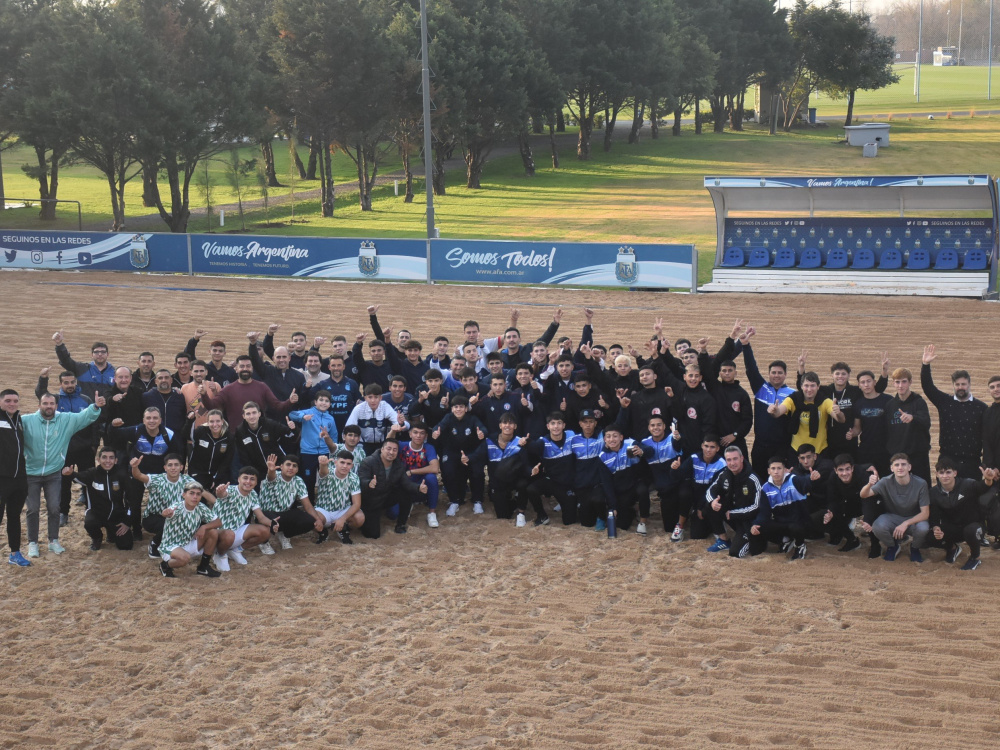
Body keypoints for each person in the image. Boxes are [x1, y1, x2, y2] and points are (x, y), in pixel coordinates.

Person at [23, 392, 103, 557]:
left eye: (52, 403)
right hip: (31, 473)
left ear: (56, 406)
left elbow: (84, 417)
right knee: (33, 509)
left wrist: (95, 407)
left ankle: (53, 541)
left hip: (53, 472)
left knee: (54, 508)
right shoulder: (26, 420)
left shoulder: (65, 419)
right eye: (45, 403)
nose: (48, 406)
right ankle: (33, 543)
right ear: (39, 405)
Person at [35, 368, 99, 527]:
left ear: (76, 382)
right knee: (64, 483)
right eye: (66, 382)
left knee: (89, 480)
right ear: (60, 383)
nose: (70, 385)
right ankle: (64, 512)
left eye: (72, 382)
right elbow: (41, 393)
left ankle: (90, 509)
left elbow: (94, 422)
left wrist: (94, 445)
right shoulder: (55, 400)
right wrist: (43, 378)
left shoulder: (85, 399)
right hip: (62, 450)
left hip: (85, 449)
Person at [113, 407, 183, 538]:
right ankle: (137, 529)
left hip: (160, 474)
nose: (152, 421)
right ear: (143, 420)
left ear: (160, 420)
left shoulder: (169, 434)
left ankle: (163, 526)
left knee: (164, 500)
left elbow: (177, 455)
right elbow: (115, 436)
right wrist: (113, 426)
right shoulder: (135, 431)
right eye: (148, 418)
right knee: (134, 501)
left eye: (155, 418)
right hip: (138, 470)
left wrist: (175, 474)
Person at [920, 345, 987, 478]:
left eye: (963, 384)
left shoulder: (982, 407)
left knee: (971, 497)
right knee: (945, 497)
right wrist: (926, 364)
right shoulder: (945, 402)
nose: (960, 387)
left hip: (972, 463)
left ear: (969, 385)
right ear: (953, 386)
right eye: (957, 385)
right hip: (947, 460)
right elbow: (928, 387)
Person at [740, 327, 795, 477]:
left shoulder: (793, 394)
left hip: (782, 447)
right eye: (773, 372)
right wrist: (746, 345)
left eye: (780, 373)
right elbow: (751, 369)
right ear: (769, 374)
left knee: (780, 480)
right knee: (759, 479)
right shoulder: (761, 388)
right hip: (760, 446)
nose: (776, 376)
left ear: (785, 375)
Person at [926, 457, 995, 571]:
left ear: (955, 473)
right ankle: (952, 548)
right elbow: (934, 516)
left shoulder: (967, 484)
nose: (945, 476)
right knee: (930, 537)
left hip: (974, 525)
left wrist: (988, 480)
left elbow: (982, 487)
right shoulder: (933, 493)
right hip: (954, 528)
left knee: (971, 530)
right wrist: (936, 528)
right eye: (941, 473)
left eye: (948, 472)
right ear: (937, 474)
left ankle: (975, 557)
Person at [860, 453, 930, 562]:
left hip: (913, 519)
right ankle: (892, 546)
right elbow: (864, 495)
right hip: (893, 517)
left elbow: (925, 513)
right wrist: (869, 484)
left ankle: (915, 548)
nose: (900, 467)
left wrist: (906, 523)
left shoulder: (921, 483)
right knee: (877, 526)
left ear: (909, 467)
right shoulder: (885, 481)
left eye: (903, 464)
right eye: (897, 465)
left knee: (923, 528)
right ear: (892, 468)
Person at [200, 354, 296, 429]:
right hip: (236, 438)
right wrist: (204, 395)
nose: (245, 369)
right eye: (242, 366)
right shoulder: (228, 389)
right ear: (236, 369)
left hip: (258, 436)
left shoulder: (262, 387)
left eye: (248, 366)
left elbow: (277, 406)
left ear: (252, 369)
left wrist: (289, 401)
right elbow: (212, 406)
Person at [357, 438, 428, 538]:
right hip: (370, 501)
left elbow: (406, 483)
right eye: (388, 449)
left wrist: (418, 488)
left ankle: (401, 524)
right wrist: (369, 483)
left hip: (385, 497)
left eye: (395, 450)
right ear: (382, 449)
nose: (391, 452)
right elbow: (360, 480)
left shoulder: (398, 465)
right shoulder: (368, 462)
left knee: (406, 492)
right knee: (373, 535)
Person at [66, 447, 133, 551]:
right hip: (96, 513)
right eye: (104, 457)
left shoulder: (122, 475)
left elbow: (131, 498)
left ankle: (111, 533)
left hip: (116, 515)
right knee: (89, 523)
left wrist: (127, 522)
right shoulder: (92, 473)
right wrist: (70, 474)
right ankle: (97, 538)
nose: (107, 461)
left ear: (116, 460)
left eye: (111, 458)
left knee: (126, 545)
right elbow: (77, 477)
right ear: (98, 459)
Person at [768, 371, 846, 457]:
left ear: (818, 387)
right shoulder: (793, 399)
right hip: (797, 451)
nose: (809, 389)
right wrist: (774, 410)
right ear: (801, 386)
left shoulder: (825, 401)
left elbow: (840, 419)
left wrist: (838, 413)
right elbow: (778, 412)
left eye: (812, 385)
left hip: (819, 451)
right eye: (806, 385)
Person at [209, 467, 274, 569]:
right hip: (219, 533)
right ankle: (220, 554)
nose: (248, 481)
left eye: (252, 479)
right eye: (245, 478)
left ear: (256, 482)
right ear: (239, 479)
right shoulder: (229, 490)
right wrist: (219, 492)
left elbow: (260, 517)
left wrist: (273, 524)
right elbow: (221, 495)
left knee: (266, 531)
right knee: (229, 534)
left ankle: (236, 550)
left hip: (237, 530)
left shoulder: (252, 494)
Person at [432, 395, 487, 516]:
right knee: (447, 471)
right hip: (452, 451)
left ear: (466, 408)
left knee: (477, 472)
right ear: (451, 409)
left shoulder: (472, 419)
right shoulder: (448, 418)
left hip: (471, 451)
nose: (458, 409)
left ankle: (477, 501)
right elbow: (438, 427)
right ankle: (454, 501)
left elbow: (482, 428)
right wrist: (435, 432)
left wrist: (482, 433)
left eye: (461, 407)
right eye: (455, 407)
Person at [704, 445, 763, 557]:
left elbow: (757, 507)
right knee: (710, 505)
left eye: (735, 459)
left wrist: (733, 513)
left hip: (748, 520)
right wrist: (713, 502)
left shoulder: (753, 479)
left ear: (742, 458)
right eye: (729, 460)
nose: (732, 463)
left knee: (736, 553)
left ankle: (748, 539)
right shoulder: (725, 474)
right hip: (731, 515)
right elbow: (710, 490)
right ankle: (723, 540)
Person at [131, 453, 193, 559]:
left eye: (176, 465)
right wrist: (135, 467)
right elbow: (138, 475)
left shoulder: (188, 481)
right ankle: (155, 544)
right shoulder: (157, 480)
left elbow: (202, 492)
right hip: (153, 518)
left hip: (175, 517)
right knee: (171, 524)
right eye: (170, 465)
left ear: (181, 467)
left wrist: (218, 499)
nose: (173, 468)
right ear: (165, 468)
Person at [158, 480, 223, 578]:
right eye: (191, 493)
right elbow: (168, 512)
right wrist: (166, 513)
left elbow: (218, 522)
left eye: (198, 494)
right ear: (184, 495)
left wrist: (204, 526)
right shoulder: (178, 507)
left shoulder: (201, 507)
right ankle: (165, 565)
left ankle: (203, 567)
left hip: (188, 542)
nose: (195, 497)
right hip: (171, 546)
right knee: (185, 558)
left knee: (213, 532)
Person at [258, 454, 321, 553]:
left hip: (284, 514)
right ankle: (263, 542)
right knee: (268, 518)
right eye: (288, 464)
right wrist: (271, 470)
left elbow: (307, 505)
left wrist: (318, 520)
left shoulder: (299, 481)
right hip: (265, 514)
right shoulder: (275, 476)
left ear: (297, 469)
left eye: (294, 466)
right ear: (281, 466)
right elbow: (271, 477)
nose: (291, 468)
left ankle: (285, 535)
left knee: (310, 521)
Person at [751, 457, 812, 560]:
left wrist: (811, 478)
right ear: (768, 471)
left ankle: (800, 545)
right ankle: (785, 541)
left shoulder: (793, 480)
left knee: (796, 527)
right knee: (760, 526)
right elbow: (764, 512)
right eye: (773, 468)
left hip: (799, 522)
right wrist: (756, 524)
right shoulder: (765, 488)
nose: (776, 472)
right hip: (782, 523)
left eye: (779, 468)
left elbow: (804, 482)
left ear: (784, 470)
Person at [669, 434, 726, 542]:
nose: (708, 450)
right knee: (684, 493)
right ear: (702, 446)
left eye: (712, 447)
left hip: (709, 498)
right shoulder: (694, 458)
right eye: (706, 446)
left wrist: (701, 507)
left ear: (718, 448)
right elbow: (677, 477)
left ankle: (715, 522)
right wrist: (674, 469)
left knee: (699, 533)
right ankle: (680, 525)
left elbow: (715, 489)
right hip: (694, 495)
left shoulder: (722, 464)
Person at [823, 455, 880, 556]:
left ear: (852, 468)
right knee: (832, 513)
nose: (844, 473)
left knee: (869, 518)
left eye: (847, 469)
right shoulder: (832, 478)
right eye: (840, 470)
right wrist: (830, 513)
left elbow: (868, 500)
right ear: (835, 470)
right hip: (849, 502)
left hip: (866, 500)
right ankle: (852, 539)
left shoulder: (862, 474)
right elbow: (832, 500)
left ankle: (875, 545)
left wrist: (868, 518)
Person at [288, 391, 339, 498]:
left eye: (326, 401)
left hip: (324, 453)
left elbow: (334, 436)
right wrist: (303, 416)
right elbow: (292, 414)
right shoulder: (308, 412)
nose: (323, 403)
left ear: (330, 404)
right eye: (321, 400)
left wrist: (333, 450)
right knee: (308, 480)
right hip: (308, 452)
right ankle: (309, 505)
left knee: (326, 479)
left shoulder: (330, 418)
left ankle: (324, 503)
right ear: (315, 402)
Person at [884, 368, 932, 483]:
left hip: (917, 455)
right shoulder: (890, 405)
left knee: (922, 486)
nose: (900, 385)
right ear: (893, 383)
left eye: (904, 381)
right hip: (897, 456)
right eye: (897, 382)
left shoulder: (919, 402)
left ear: (910, 382)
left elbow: (926, 422)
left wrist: (913, 417)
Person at [0, 389, 30, 566]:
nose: (12, 404)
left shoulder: (19, 420)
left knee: (14, 516)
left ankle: (15, 554)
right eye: (8, 401)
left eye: (15, 401)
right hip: (1, 478)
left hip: (19, 478)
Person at [314, 452, 366, 544]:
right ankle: (323, 532)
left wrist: (343, 519)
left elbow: (357, 504)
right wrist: (322, 464)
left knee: (360, 518)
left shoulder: (354, 478)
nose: (345, 466)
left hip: (343, 510)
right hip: (323, 510)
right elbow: (323, 472)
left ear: (352, 465)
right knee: (312, 519)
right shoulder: (328, 472)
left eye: (348, 464)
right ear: (335, 463)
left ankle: (343, 529)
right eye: (342, 462)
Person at [234, 401, 296, 477]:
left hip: (278, 466)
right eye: (248, 414)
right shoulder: (240, 431)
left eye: (254, 413)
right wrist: (251, 470)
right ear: (243, 416)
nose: (251, 416)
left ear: (259, 414)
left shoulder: (269, 424)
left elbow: (290, 435)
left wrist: (293, 429)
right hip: (258, 472)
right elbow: (243, 455)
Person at [399, 422, 440, 528]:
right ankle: (408, 504)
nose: (418, 436)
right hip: (404, 483)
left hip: (421, 481)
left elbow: (435, 468)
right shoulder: (402, 445)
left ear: (426, 436)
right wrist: (393, 431)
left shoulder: (428, 448)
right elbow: (387, 443)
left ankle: (432, 513)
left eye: (422, 433)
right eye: (415, 432)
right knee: (393, 514)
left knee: (431, 478)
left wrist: (412, 471)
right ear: (410, 434)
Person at [52, 332, 115, 400]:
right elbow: (66, 361)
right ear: (91, 355)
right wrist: (59, 345)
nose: (100, 354)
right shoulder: (82, 369)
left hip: (109, 409)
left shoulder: (116, 372)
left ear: (108, 354)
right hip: (85, 409)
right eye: (96, 352)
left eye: (103, 352)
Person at [853, 370, 893, 476]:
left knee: (886, 481)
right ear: (859, 385)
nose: (866, 385)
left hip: (886, 450)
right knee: (867, 481)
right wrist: (852, 433)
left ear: (874, 382)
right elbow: (857, 428)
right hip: (866, 450)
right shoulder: (858, 404)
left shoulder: (888, 400)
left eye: (868, 381)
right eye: (863, 382)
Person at [346, 383, 405, 454]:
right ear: (365, 398)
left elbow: (402, 424)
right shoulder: (358, 408)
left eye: (376, 397)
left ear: (380, 398)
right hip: (363, 444)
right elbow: (348, 428)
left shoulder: (385, 406)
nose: (373, 400)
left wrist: (400, 423)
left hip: (381, 444)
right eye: (370, 397)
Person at [187, 410, 234, 492]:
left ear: (222, 421)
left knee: (218, 495)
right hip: (198, 473)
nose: (215, 425)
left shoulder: (229, 437)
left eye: (218, 421)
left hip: (217, 475)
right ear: (207, 422)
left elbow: (226, 462)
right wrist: (190, 421)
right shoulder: (201, 432)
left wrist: (216, 478)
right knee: (199, 494)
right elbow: (186, 435)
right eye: (211, 421)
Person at [142, 369, 187, 434]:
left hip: (176, 438)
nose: (164, 380)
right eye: (160, 378)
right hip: (154, 437)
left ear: (171, 380)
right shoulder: (146, 397)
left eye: (166, 377)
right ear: (155, 381)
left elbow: (184, 416)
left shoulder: (180, 397)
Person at [180, 360, 222, 430]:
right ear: (191, 373)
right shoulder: (184, 388)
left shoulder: (215, 385)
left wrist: (214, 391)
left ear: (206, 372)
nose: (199, 374)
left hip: (212, 430)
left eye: (202, 371)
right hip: (192, 431)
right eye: (196, 371)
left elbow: (220, 408)